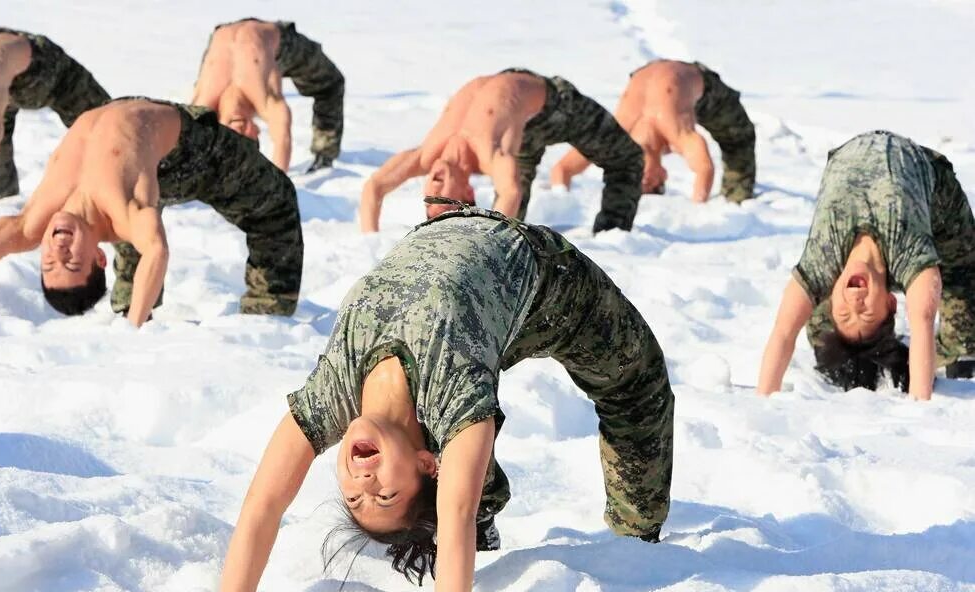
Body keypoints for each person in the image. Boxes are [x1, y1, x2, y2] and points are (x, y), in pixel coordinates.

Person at [219, 198, 674, 592]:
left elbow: (264, 502)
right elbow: (455, 514)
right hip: (550, 286)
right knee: (639, 385)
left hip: (451, 227)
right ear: (424, 464)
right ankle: (637, 541)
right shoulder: (454, 393)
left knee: (466, 458)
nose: (363, 484)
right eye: (386, 496)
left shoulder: (331, 395)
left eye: (355, 498)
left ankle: (483, 490)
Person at [0, 97, 303, 325]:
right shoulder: (124, 211)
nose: (58, 249)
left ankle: (131, 304)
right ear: (97, 258)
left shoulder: (35, 223)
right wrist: (133, 331)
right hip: (191, 151)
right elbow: (156, 250)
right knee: (276, 204)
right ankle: (268, 316)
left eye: (49, 261)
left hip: (138, 115)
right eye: (70, 261)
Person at [756, 130, 975, 399]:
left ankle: (845, 358)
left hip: (852, 150)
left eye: (845, 314)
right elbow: (923, 321)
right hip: (934, 192)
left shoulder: (822, 261)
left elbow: (784, 332)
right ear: (891, 302)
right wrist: (919, 405)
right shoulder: (909, 254)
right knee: (964, 289)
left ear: (829, 297)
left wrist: (763, 402)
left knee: (821, 331)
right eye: (867, 315)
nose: (856, 305)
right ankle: (958, 348)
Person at [359, 69, 643, 234]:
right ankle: (612, 238)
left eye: (430, 198)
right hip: (549, 110)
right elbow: (509, 192)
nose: (435, 184)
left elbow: (375, 187)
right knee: (513, 209)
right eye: (443, 197)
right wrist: (489, 243)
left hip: (534, 100)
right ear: (468, 192)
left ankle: (612, 234)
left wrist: (369, 243)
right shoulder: (489, 153)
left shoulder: (425, 156)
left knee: (625, 157)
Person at [552, 60, 756, 204]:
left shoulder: (615, 133)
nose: (642, 181)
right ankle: (736, 198)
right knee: (739, 137)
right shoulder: (675, 133)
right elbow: (704, 168)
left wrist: (559, 198)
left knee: (738, 138)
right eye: (651, 185)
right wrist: (698, 206)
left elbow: (562, 169)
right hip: (695, 82)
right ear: (663, 173)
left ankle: (736, 200)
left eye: (640, 184)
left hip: (655, 73)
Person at [192, 18, 345, 173]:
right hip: (270, 39)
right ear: (256, 131)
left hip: (226, 34)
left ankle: (324, 156)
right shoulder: (266, 101)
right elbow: (282, 141)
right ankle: (324, 158)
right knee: (330, 84)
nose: (240, 131)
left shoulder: (202, 105)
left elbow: (179, 146)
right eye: (246, 139)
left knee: (330, 84)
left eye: (234, 139)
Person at [0, 27, 109, 203]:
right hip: (7, 89)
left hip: (52, 75)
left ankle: (152, 182)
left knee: (107, 129)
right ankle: (2, 209)